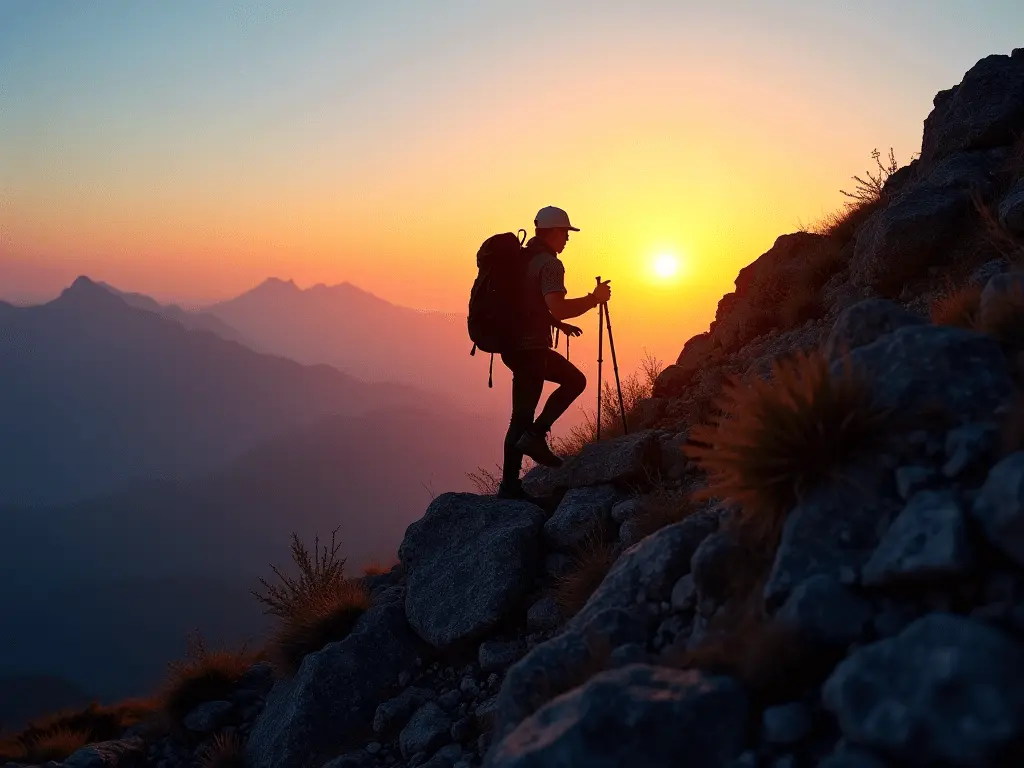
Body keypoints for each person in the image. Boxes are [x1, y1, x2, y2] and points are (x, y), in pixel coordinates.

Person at [496, 205, 612, 501]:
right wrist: (593, 299)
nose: (567, 239)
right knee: (536, 409)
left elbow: (531, 302)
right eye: (565, 233)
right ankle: (517, 473)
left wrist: (556, 325)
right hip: (530, 349)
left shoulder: (523, 257)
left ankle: (515, 474)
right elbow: (556, 305)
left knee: (522, 416)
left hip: (512, 346)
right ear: (552, 232)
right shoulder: (550, 264)